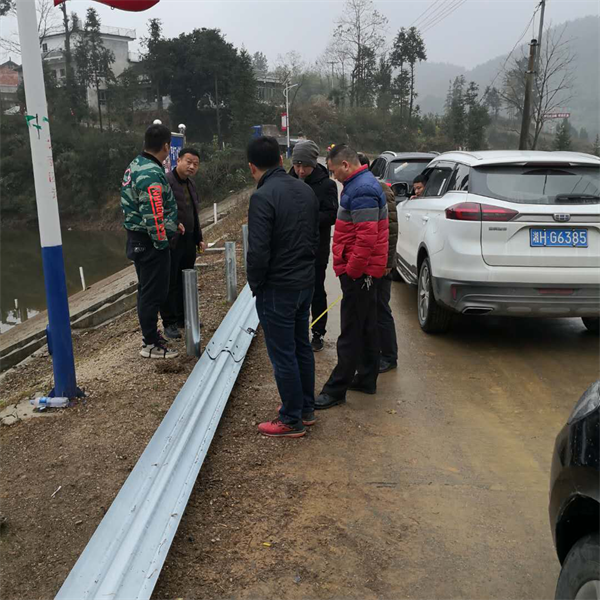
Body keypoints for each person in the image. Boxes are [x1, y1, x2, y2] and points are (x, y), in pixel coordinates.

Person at [246, 136, 320, 438]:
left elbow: (258, 251)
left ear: (252, 167)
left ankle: (290, 419)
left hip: (278, 288)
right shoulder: (305, 190)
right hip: (304, 283)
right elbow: (315, 238)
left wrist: (256, 284)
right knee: (301, 345)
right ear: (281, 160)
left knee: (283, 353)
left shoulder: (262, 197)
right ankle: (306, 409)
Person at [315, 145, 389, 410]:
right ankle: (367, 378)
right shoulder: (360, 184)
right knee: (366, 325)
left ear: (345, 165)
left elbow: (366, 238)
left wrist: (353, 271)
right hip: (364, 271)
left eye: (334, 171)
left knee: (350, 330)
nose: (333, 176)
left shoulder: (362, 189)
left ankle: (336, 388)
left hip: (360, 272)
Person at [121, 124, 180, 359]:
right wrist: (162, 244)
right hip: (150, 243)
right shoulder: (151, 173)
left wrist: (173, 223)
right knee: (152, 294)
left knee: (147, 291)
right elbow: (153, 214)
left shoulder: (135, 164)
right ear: (166, 146)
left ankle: (151, 338)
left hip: (139, 239)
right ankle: (151, 344)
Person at [289, 140, 339, 352]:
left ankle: (318, 331)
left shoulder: (326, 185)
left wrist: (306, 218)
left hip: (316, 248)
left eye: (305, 166)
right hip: (290, 249)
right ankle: (294, 331)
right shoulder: (287, 181)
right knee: (292, 290)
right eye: (297, 165)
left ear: (314, 163)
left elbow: (331, 215)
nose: (301, 171)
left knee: (316, 290)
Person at [357, 152, 399, 373]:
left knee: (381, 309)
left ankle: (389, 356)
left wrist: (387, 263)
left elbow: (391, 230)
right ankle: (374, 353)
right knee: (371, 309)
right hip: (370, 264)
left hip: (382, 264)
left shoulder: (381, 189)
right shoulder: (359, 189)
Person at [163, 148, 206, 339]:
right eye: (188, 162)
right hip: (172, 241)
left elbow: (194, 214)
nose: (191, 166)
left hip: (188, 239)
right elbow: (160, 210)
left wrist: (199, 238)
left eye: (195, 164)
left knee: (186, 280)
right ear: (178, 160)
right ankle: (170, 322)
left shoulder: (191, 184)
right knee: (170, 282)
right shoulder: (166, 181)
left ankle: (183, 317)